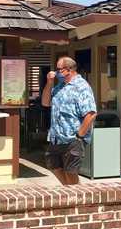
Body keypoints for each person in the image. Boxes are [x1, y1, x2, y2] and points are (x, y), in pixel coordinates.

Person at [41, 56, 97, 185]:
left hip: (73, 138)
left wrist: (79, 136)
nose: (55, 72)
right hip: (56, 138)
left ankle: (77, 199)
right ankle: (70, 194)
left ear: (69, 70)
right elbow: (45, 102)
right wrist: (49, 83)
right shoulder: (60, 86)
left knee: (71, 173)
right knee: (53, 165)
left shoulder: (81, 87)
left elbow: (91, 113)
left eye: (58, 69)